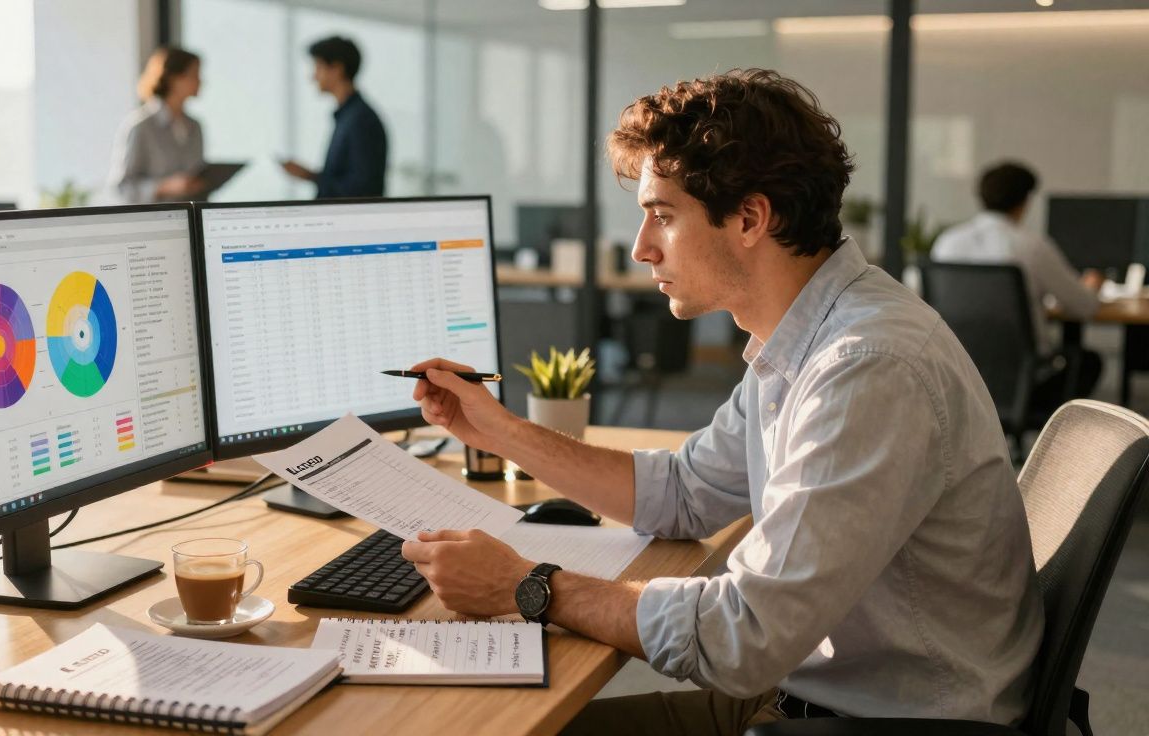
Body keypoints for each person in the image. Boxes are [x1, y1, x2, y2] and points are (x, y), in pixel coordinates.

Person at [400, 69, 1043, 734]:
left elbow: (744, 637)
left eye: (662, 216)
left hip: (880, 720)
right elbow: (682, 492)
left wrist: (529, 586)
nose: (641, 248)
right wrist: (499, 429)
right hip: (813, 693)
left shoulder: (864, 368)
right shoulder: (801, 333)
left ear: (750, 218)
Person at [932, 161, 1104, 407]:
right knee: (1089, 362)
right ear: (1025, 201)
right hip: (1024, 383)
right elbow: (1085, 307)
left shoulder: (946, 244)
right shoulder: (1032, 247)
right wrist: (1092, 286)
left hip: (958, 376)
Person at [280, 36, 388, 199]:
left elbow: (362, 189)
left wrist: (311, 176)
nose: (313, 76)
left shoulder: (361, 120)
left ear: (337, 69)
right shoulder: (348, 117)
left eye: (318, 66)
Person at [107, 47, 206, 203]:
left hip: (190, 220)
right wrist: (163, 186)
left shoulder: (195, 127)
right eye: (194, 75)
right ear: (173, 78)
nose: (201, 81)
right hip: (154, 222)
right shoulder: (140, 126)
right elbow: (122, 188)